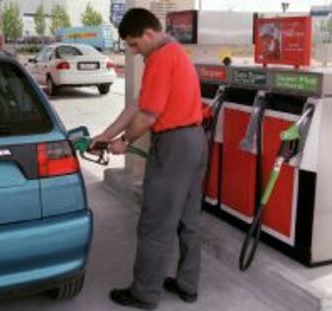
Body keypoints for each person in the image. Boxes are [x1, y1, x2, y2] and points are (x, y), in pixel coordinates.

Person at [91, 8, 208, 310]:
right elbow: (138, 103)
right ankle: (187, 285)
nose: (132, 50)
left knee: (155, 222)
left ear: (148, 33)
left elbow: (147, 115)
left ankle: (144, 293)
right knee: (188, 220)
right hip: (194, 142)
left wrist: (125, 142)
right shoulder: (174, 54)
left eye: (133, 44)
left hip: (173, 147)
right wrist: (107, 134)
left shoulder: (160, 58)